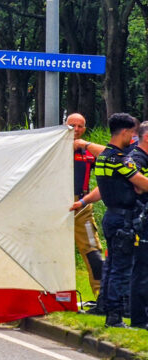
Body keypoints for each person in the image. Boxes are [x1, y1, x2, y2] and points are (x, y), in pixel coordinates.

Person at [93, 113, 148, 328]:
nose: (133, 138)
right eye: (132, 133)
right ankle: (114, 316)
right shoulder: (119, 159)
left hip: (111, 215)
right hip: (123, 219)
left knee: (113, 266)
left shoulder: (104, 156)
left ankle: (107, 310)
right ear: (124, 132)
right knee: (121, 269)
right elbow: (140, 183)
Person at [66, 113, 105, 302]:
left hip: (82, 207)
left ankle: (101, 295)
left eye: (80, 126)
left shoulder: (88, 150)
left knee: (93, 250)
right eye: (72, 125)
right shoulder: (53, 148)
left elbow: (111, 157)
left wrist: (84, 144)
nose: (76, 129)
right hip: (53, 206)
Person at [129, 122, 148, 329]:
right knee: (141, 270)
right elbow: (137, 187)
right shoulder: (136, 158)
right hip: (140, 220)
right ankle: (139, 319)